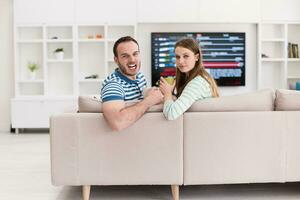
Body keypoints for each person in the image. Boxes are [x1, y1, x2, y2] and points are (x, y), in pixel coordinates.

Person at [101, 36, 163, 131]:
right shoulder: (113, 85)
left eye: (135, 54)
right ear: (116, 60)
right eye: (125, 56)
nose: (132, 60)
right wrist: (149, 101)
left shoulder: (140, 76)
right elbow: (118, 123)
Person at [159, 37, 219, 120]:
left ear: (196, 57)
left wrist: (167, 93)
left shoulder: (198, 82)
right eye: (177, 57)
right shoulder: (198, 77)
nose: (180, 61)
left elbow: (171, 114)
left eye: (186, 56)